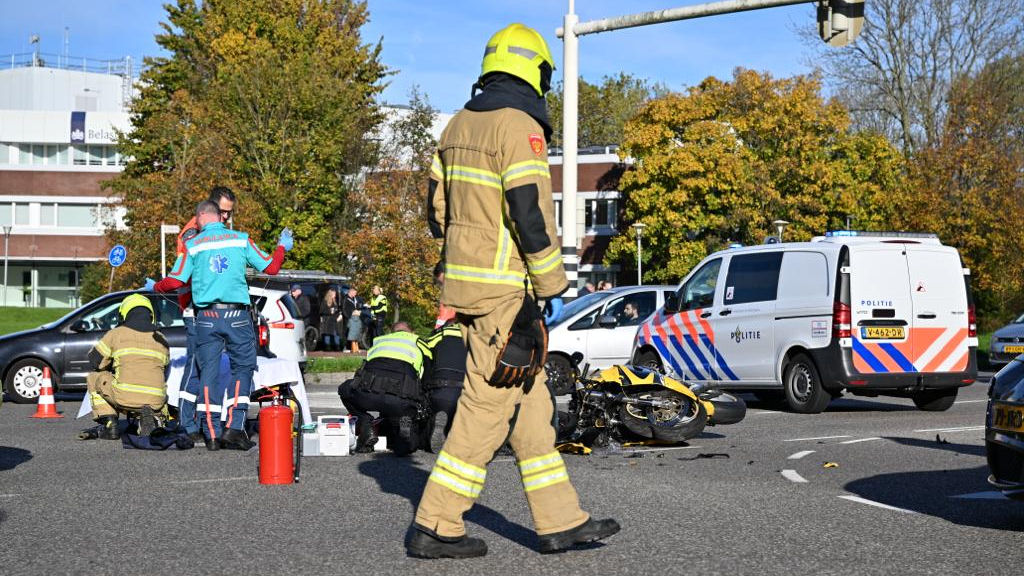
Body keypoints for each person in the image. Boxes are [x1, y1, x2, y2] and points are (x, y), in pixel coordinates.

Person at [409, 23, 619, 559]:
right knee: (485, 408)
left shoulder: (456, 125)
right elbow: (530, 214)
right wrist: (550, 285)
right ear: (536, 72)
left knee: (532, 409)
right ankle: (436, 523)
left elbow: (436, 211)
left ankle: (560, 521)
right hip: (506, 289)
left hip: (467, 285)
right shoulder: (519, 126)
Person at [153, 200, 291, 450]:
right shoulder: (240, 239)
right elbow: (272, 267)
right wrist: (282, 247)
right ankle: (235, 427)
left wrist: (154, 287)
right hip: (237, 316)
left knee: (208, 372)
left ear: (200, 218)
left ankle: (212, 433)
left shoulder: (192, 245)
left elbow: (175, 282)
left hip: (206, 318)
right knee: (242, 369)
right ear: (219, 216)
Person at [151, 186, 235, 444]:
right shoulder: (193, 233)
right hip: (195, 309)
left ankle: (201, 419)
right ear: (210, 209)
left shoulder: (213, 230)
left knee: (208, 367)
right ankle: (188, 422)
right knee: (196, 365)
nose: (226, 218)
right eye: (222, 212)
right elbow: (188, 272)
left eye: (229, 214)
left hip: (210, 308)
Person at [83, 294, 170, 440]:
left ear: (124, 314)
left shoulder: (116, 334)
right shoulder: (161, 338)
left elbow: (95, 362)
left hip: (124, 396)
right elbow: (165, 368)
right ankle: (150, 418)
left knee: (94, 377)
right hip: (156, 399)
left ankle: (109, 423)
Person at [338, 322, 432, 455]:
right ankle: (404, 428)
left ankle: (366, 423)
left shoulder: (379, 341)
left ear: (392, 332)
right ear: (412, 332)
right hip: (401, 400)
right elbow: (427, 377)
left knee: (345, 389)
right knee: (405, 446)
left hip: (367, 395)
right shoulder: (419, 342)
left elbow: (364, 372)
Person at [421, 318, 466, 450]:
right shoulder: (476, 337)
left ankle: (430, 435)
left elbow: (425, 361)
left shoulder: (438, 335)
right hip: (467, 393)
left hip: (440, 388)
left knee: (431, 415)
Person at [320, 288, 342, 352]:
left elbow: (337, 310)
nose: (335, 295)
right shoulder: (325, 301)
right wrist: (329, 311)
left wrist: (339, 315)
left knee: (336, 334)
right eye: (334, 294)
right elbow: (321, 311)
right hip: (327, 320)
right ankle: (327, 347)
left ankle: (337, 347)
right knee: (327, 334)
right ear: (330, 294)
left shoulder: (335, 301)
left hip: (334, 320)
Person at [342, 287, 362, 352]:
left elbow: (357, 307)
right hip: (348, 319)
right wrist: (350, 314)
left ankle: (353, 348)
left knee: (354, 332)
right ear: (351, 291)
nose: (356, 294)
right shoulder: (345, 299)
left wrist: (359, 311)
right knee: (347, 332)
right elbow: (344, 309)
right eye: (355, 292)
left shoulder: (354, 299)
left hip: (354, 319)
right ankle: (345, 347)